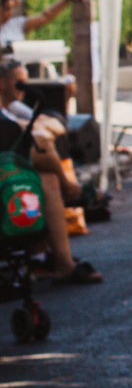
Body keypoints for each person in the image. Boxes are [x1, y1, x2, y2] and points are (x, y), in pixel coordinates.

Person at [0, 60, 100, 284]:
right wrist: (34, 129)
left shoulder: (13, 106)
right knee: (42, 147)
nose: (23, 86)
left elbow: (54, 124)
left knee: (48, 179)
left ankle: (62, 263)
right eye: (19, 81)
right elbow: (37, 133)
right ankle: (72, 189)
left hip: (8, 163)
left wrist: (34, 128)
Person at [0, 0, 84, 47]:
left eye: (12, 8)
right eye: (7, 9)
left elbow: (44, 17)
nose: (11, 13)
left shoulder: (15, 25)